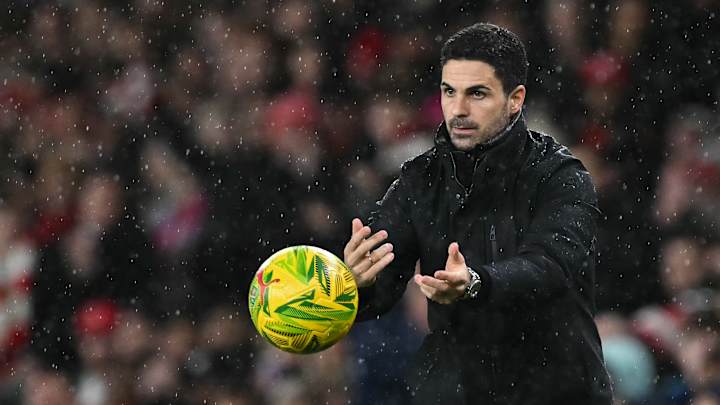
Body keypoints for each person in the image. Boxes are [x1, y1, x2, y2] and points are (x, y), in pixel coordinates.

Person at [343, 23, 613, 404]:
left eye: (477, 94)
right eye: (449, 92)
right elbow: (380, 286)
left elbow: (550, 267)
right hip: (460, 392)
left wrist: (477, 283)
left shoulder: (560, 176)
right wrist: (353, 281)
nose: (459, 109)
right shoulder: (418, 180)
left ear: (515, 99)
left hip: (557, 390)